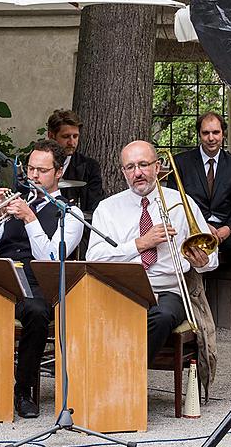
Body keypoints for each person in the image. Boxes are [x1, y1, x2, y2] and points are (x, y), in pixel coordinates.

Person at [0, 139, 84, 418]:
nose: (33, 176)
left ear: (59, 172)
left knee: (37, 311)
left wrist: (30, 219)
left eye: (41, 170)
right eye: (30, 169)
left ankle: (23, 390)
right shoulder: (13, 204)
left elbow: (51, 260)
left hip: (35, 281)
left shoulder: (71, 214)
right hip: (0, 276)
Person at [86, 140, 218, 363]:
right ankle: (104, 375)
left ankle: (126, 374)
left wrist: (202, 261)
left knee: (163, 317)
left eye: (144, 165)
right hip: (123, 289)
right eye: (130, 167)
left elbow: (211, 258)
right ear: (123, 172)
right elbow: (94, 257)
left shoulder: (182, 203)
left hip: (168, 291)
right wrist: (140, 244)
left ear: (157, 167)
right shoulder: (108, 208)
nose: (138, 173)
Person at [172, 111, 231, 341]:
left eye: (216, 132)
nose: (211, 137)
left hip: (225, 231)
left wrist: (228, 228)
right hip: (193, 230)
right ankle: (182, 320)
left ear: (223, 134)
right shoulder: (181, 162)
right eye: (206, 133)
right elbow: (175, 201)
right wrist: (200, 226)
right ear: (199, 135)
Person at [46, 109, 105, 215]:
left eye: (75, 136)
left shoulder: (90, 167)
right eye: (66, 137)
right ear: (51, 136)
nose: (72, 142)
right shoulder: (36, 163)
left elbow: (95, 206)